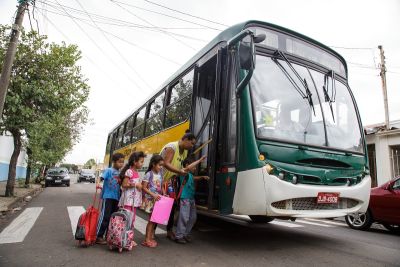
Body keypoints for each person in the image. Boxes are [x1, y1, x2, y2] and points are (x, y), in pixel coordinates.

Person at [160, 131, 196, 240]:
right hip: (163, 182)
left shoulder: (184, 152)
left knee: (171, 208)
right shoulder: (172, 147)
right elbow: (166, 163)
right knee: (160, 208)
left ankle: (169, 231)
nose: (192, 146)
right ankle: (151, 232)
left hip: (172, 184)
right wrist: (180, 172)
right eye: (192, 143)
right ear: (185, 139)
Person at [175, 157, 209, 244]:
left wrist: (202, 177)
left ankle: (185, 234)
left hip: (191, 198)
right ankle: (179, 236)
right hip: (185, 199)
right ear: (187, 165)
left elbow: (194, 178)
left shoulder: (189, 175)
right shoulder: (183, 172)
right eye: (194, 166)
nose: (195, 168)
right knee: (184, 218)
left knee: (193, 218)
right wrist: (200, 160)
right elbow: (189, 169)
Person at [96, 153, 125, 245]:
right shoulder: (108, 170)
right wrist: (98, 183)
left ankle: (108, 235)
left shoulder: (120, 173)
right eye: (120, 162)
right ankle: (99, 236)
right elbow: (101, 178)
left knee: (113, 217)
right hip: (108, 196)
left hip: (116, 197)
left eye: (123, 162)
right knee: (105, 216)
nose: (121, 164)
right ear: (114, 162)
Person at [118, 151, 146, 246]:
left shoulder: (136, 172)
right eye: (141, 161)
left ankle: (128, 238)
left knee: (131, 220)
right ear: (135, 161)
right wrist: (135, 184)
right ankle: (124, 238)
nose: (142, 164)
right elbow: (124, 184)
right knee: (127, 220)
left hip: (133, 202)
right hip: (128, 201)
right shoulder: (129, 171)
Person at [141, 154, 164, 248]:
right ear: (153, 164)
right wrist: (153, 194)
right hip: (151, 200)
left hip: (157, 200)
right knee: (151, 221)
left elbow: (161, 186)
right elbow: (144, 187)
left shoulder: (160, 174)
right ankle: (147, 239)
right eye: (159, 165)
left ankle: (149, 237)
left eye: (162, 165)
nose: (161, 167)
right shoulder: (149, 174)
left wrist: (163, 193)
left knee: (154, 220)